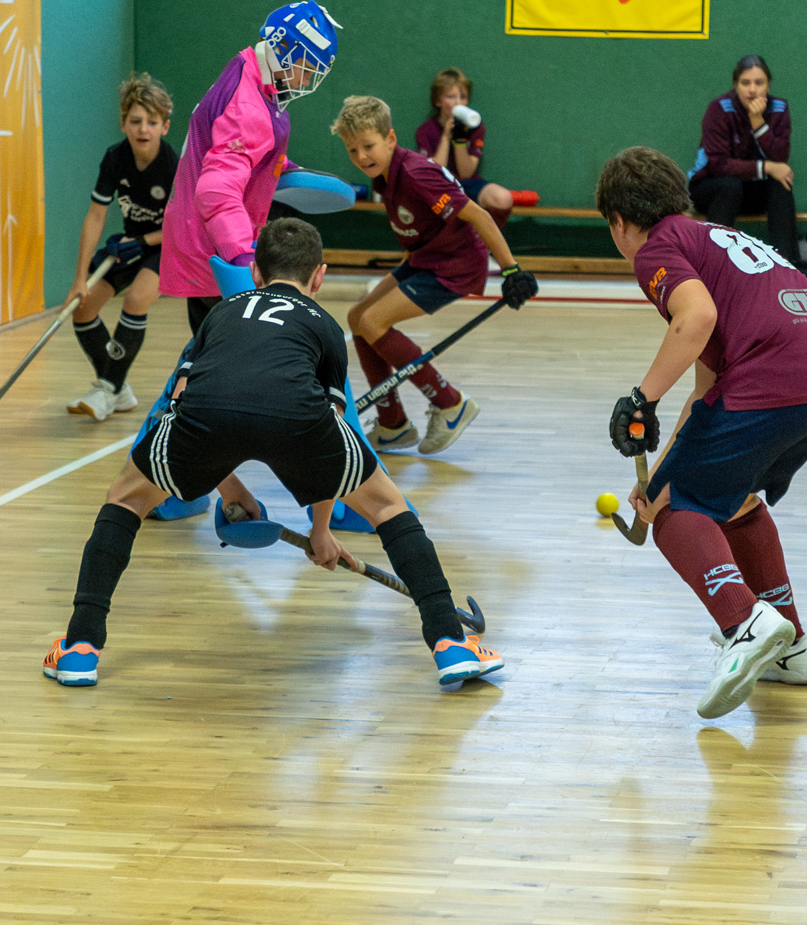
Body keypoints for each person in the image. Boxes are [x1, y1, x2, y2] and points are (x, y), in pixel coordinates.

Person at [42, 218, 503, 688]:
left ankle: (80, 647)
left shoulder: (221, 313)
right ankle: (449, 642)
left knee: (125, 499)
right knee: (387, 507)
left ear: (256, 272)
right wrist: (320, 530)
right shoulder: (324, 325)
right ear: (319, 276)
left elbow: (186, 403)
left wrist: (227, 486)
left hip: (205, 416)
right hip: (298, 419)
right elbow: (331, 432)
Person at [598, 146, 807, 718]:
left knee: (678, 511)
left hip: (776, 375)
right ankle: (792, 646)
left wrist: (641, 398)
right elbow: (708, 389)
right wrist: (661, 473)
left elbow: (696, 318)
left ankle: (743, 622)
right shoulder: (713, 238)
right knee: (728, 495)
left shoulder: (656, 247)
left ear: (618, 221)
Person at [332, 94, 538, 455]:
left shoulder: (415, 174)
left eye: (368, 146)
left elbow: (479, 215)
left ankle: (451, 404)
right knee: (358, 318)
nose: (361, 157)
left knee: (373, 321)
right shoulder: (386, 175)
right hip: (425, 258)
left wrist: (511, 270)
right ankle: (393, 425)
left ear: (391, 138)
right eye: (352, 150)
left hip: (454, 264)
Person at [158, 0, 341, 335]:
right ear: (284, 51)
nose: (308, 78)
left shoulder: (248, 70)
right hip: (217, 249)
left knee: (211, 352)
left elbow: (229, 146)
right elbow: (216, 192)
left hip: (205, 238)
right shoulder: (248, 107)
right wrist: (243, 259)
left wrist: (276, 165)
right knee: (235, 354)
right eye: (307, 66)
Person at [66, 74, 177, 421]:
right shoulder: (115, 158)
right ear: (123, 123)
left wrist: (142, 242)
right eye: (135, 121)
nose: (143, 129)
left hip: (167, 246)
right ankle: (116, 388)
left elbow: (180, 226)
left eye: (152, 122)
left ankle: (106, 390)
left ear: (165, 127)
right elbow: (96, 216)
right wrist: (79, 278)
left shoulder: (173, 165)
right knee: (82, 308)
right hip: (130, 245)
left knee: (136, 299)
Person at [686, 54, 801, 269]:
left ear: (768, 85)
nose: (752, 90)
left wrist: (758, 122)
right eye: (745, 83)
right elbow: (719, 164)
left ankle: (788, 267)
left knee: (780, 184)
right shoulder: (719, 109)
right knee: (729, 185)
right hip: (709, 189)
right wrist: (766, 167)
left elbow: (780, 158)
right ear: (735, 85)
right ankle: (714, 264)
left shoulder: (779, 108)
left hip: (747, 192)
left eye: (759, 83)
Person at [415, 67, 516, 227]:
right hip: (441, 187)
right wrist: (446, 137)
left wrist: (459, 139)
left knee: (502, 198)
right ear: (438, 101)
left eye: (463, 97)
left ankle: (485, 240)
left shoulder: (476, 127)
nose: (458, 102)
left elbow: (466, 173)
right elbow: (435, 172)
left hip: (468, 184)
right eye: (451, 97)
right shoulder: (425, 130)